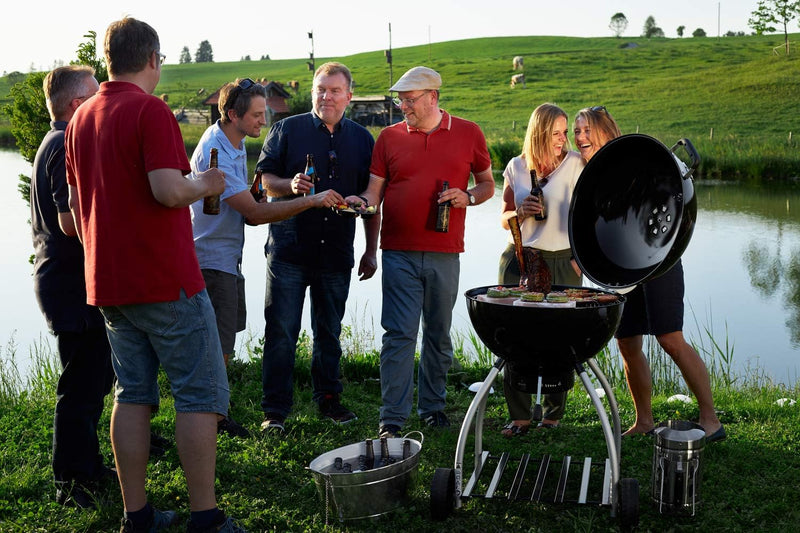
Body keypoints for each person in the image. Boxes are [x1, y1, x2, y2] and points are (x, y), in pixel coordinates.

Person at [65, 17, 245, 532]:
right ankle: (205, 518)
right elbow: (168, 190)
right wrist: (205, 180)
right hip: (165, 281)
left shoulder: (80, 119)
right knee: (199, 393)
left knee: (133, 393)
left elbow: (78, 212)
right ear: (153, 60)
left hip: (108, 282)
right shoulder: (150, 110)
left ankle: (136, 515)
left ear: (107, 59)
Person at [344, 66, 494, 438]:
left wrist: (468, 197)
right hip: (398, 251)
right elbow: (373, 193)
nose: (404, 107)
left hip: (445, 252)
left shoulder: (469, 132)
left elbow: (488, 184)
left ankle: (433, 407)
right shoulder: (389, 138)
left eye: (410, 100)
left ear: (433, 97)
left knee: (439, 334)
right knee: (398, 334)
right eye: (401, 100)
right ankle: (391, 418)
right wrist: (358, 203)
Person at [189, 78, 339, 439]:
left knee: (223, 340)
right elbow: (254, 215)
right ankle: (211, 419)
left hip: (226, 257)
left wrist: (284, 187)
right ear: (232, 114)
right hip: (210, 259)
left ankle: (214, 413)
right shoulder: (217, 149)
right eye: (256, 115)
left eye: (264, 113)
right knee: (218, 345)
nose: (263, 121)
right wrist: (311, 201)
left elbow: (251, 198)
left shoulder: (235, 142)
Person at [573, 105, 725, 442]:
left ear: (604, 130)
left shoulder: (630, 156)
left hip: (659, 262)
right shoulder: (586, 172)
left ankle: (711, 420)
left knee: (670, 339)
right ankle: (644, 420)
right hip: (621, 268)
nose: (580, 137)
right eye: (577, 132)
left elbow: (664, 197)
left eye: (586, 130)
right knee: (627, 343)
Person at [256, 62, 378, 433]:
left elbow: (373, 203)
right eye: (320, 89)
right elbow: (263, 182)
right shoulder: (287, 129)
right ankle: (274, 411)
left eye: (334, 90)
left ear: (349, 96)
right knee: (281, 332)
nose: (326, 96)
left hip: (336, 253)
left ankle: (329, 400)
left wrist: (371, 250)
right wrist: (289, 185)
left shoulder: (362, 139)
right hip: (289, 249)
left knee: (329, 332)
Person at [30, 65, 115, 509]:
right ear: (76, 105)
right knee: (79, 386)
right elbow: (70, 222)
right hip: (70, 285)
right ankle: (68, 482)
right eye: (94, 95)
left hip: (67, 282)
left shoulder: (54, 139)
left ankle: (89, 464)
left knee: (95, 378)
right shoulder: (65, 142)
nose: (100, 102)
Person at [497, 103, 585, 437]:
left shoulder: (576, 164)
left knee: (559, 339)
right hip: (520, 257)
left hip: (563, 259)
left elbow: (590, 213)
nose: (564, 139)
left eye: (565, 132)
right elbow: (504, 219)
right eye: (556, 133)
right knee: (514, 337)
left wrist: (581, 257)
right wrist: (519, 211)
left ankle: (552, 415)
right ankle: (519, 415)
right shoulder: (516, 167)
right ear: (538, 133)